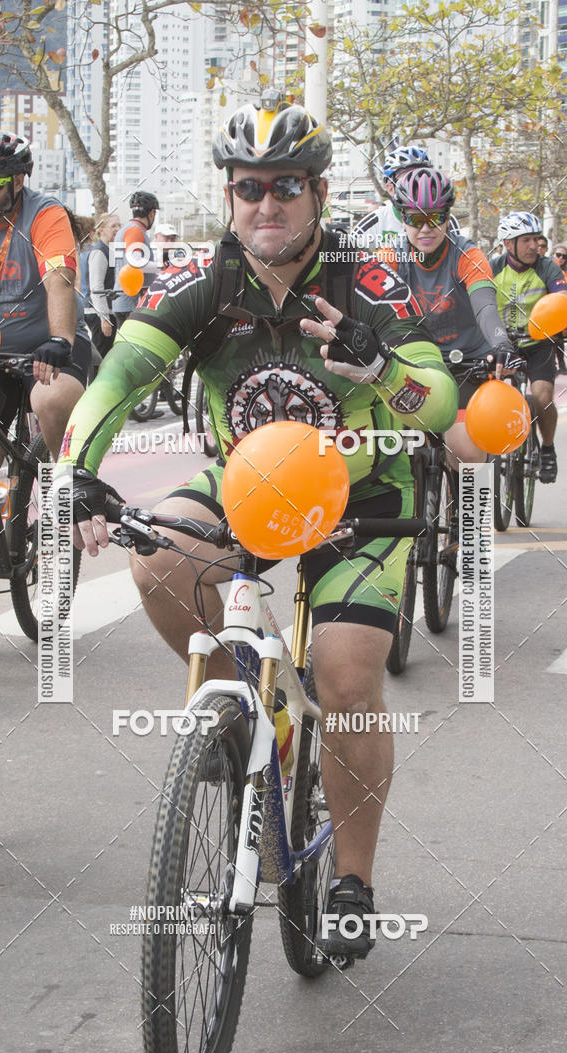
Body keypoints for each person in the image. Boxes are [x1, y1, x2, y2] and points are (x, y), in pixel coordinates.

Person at [56, 90, 458, 960]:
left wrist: (382, 366)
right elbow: (118, 377)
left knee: (346, 679)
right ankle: (251, 707)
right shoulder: (205, 284)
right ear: (230, 195)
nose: (266, 203)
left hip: (361, 496)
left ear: (318, 194)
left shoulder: (364, 280)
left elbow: (439, 405)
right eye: (249, 187)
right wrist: (75, 470)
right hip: (248, 480)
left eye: (286, 186)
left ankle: (351, 881)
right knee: (159, 555)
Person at [0, 129, 90, 557]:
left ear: (18, 181)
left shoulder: (44, 214)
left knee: (51, 400)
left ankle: (67, 488)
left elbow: (59, 278)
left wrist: (60, 338)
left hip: (49, 346)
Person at [377, 166, 518, 467]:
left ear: (448, 217)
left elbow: (485, 307)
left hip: (466, 363)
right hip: (416, 365)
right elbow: (369, 310)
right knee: (390, 450)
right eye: (416, 219)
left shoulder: (468, 256)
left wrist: (501, 343)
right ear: (402, 218)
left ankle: (475, 499)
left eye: (435, 218)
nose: (426, 229)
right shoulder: (390, 258)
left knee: (464, 453)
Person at [492, 212, 567, 483]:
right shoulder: (493, 267)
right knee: (489, 397)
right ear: (508, 244)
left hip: (539, 344)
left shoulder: (548, 268)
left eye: (536, 239)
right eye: (526, 240)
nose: (534, 246)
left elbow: (561, 297)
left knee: (542, 397)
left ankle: (547, 448)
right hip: (502, 345)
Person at [354, 145, 459, 251]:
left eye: (422, 178)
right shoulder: (375, 222)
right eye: (406, 180)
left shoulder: (445, 220)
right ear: (390, 188)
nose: (417, 186)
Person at [112, 190, 160, 327]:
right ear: (151, 213)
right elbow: (135, 262)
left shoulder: (125, 230)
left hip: (123, 300)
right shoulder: (135, 230)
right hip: (131, 304)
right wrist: (162, 267)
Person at [87, 212, 120, 358]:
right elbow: (97, 287)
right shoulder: (100, 252)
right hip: (99, 314)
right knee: (101, 359)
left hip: (108, 312)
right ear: (101, 229)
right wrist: (104, 318)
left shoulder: (111, 250)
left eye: (119, 225)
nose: (117, 229)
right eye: (113, 226)